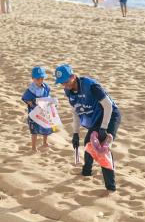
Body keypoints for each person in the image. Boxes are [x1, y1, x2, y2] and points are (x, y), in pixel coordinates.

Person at [55, 64, 121, 194]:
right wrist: (75, 133)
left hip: (110, 115)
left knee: (102, 148)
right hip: (96, 118)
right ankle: (86, 172)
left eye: (66, 81)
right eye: (62, 83)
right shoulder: (68, 91)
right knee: (88, 143)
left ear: (73, 76)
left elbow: (108, 106)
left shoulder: (91, 86)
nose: (65, 85)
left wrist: (103, 128)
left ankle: (111, 188)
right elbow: (76, 111)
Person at [22, 66, 53, 152]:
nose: (40, 81)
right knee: (34, 130)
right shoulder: (30, 90)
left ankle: (45, 142)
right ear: (33, 78)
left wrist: (49, 102)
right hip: (34, 112)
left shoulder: (45, 87)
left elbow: (48, 96)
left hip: (43, 110)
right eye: (38, 79)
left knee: (46, 127)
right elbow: (25, 98)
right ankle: (33, 147)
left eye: (42, 79)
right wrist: (31, 103)